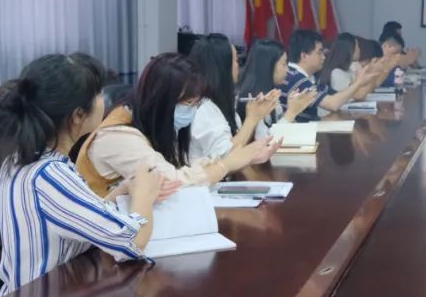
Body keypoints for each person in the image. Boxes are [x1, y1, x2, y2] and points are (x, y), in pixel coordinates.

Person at [0, 53, 178, 297]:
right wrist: (143, 195)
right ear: (78, 115)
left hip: (51, 294)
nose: (104, 100)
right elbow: (133, 243)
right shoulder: (49, 175)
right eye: (98, 94)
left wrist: (123, 190)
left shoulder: (25, 159)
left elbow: (80, 215)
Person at [77, 53, 281, 196]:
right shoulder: (118, 135)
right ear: (160, 100)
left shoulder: (154, 125)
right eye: (187, 104)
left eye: (195, 104)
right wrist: (226, 164)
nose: (192, 111)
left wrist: (238, 159)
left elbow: (183, 168)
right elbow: (173, 182)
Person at [187, 34, 280, 160]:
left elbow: (240, 145)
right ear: (223, 66)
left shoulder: (222, 103)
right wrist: (252, 119)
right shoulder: (203, 109)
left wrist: (256, 118)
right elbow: (226, 158)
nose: (238, 65)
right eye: (236, 60)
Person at [283, 29, 379, 121]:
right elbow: (333, 104)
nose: (324, 57)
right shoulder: (296, 78)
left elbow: (337, 95)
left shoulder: (308, 77)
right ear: (304, 56)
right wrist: (359, 83)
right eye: (319, 52)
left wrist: (358, 83)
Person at [238, 39, 319, 138]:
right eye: (284, 64)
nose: (288, 70)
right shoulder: (251, 100)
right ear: (268, 66)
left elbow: (286, 132)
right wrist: (291, 112)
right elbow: (265, 140)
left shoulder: (272, 94)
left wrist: (295, 109)